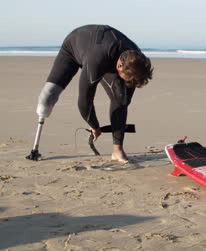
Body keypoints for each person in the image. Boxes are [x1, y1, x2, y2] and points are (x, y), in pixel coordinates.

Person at [35, 25, 153, 163]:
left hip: (107, 56)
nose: (129, 83)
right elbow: (84, 100)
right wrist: (94, 126)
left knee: (121, 98)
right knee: (48, 95)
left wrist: (122, 103)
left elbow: (123, 102)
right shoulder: (96, 60)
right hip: (74, 48)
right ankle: (35, 147)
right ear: (120, 67)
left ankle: (117, 150)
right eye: (127, 79)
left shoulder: (137, 60)